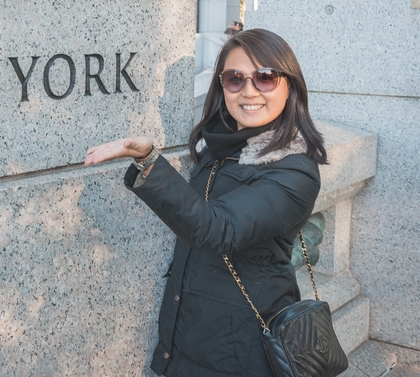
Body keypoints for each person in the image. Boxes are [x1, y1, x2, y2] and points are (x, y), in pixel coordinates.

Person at [84, 28, 327, 377]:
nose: (249, 90)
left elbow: (216, 229)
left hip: (242, 349)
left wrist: (150, 160)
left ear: (290, 86)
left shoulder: (295, 171)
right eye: (235, 79)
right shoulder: (223, 149)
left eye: (265, 78)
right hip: (190, 333)